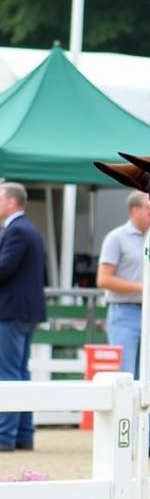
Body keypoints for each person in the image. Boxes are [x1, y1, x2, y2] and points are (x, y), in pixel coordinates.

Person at [97, 191, 150, 457]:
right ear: (134, 210)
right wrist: (145, 287)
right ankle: (122, 442)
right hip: (124, 312)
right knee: (124, 377)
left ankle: (148, 441)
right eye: (149, 209)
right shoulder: (116, 238)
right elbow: (103, 279)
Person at [0, 184, 46, 451]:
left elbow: (4, 269)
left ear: (11, 202)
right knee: (20, 372)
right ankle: (23, 434)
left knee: (7, 373)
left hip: (12, 310)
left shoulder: (16, 230)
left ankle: (5, 436)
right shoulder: (29, 228)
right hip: (27, 310)